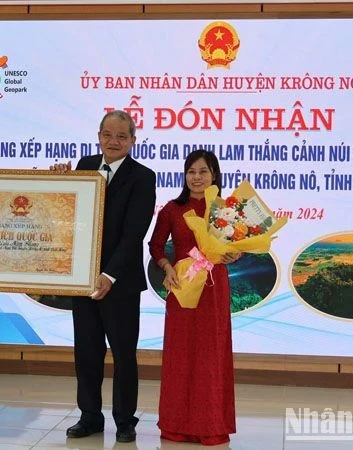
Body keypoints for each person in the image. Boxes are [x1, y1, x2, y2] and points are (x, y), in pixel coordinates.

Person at [57, 110, 156, 443]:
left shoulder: (143, 177)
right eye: (108, 135)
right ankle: (89, 416)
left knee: (124, 354)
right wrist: (57, 183)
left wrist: (109, 274)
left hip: (121, 283)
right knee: (86, 352)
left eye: (122, 136)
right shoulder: (84, 166)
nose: (113, 142)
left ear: (133, 141)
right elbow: (69, 216)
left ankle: (125, 420)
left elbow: (134, 233)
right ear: (98, 135)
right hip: (82, 279)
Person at [148, 149, 239, 445]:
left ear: (214, 175)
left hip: (214, 288)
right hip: (183, 288)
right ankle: (176, 425)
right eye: (191, 171)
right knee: (180, 355)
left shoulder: (225, 209)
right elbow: (156, 246)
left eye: (203, 171)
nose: (197, 177)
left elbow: (237, 247)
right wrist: (167, 267)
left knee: (211, 356)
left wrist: (234, 254)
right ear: (185, 175)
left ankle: (211, 425)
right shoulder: (173, 209)